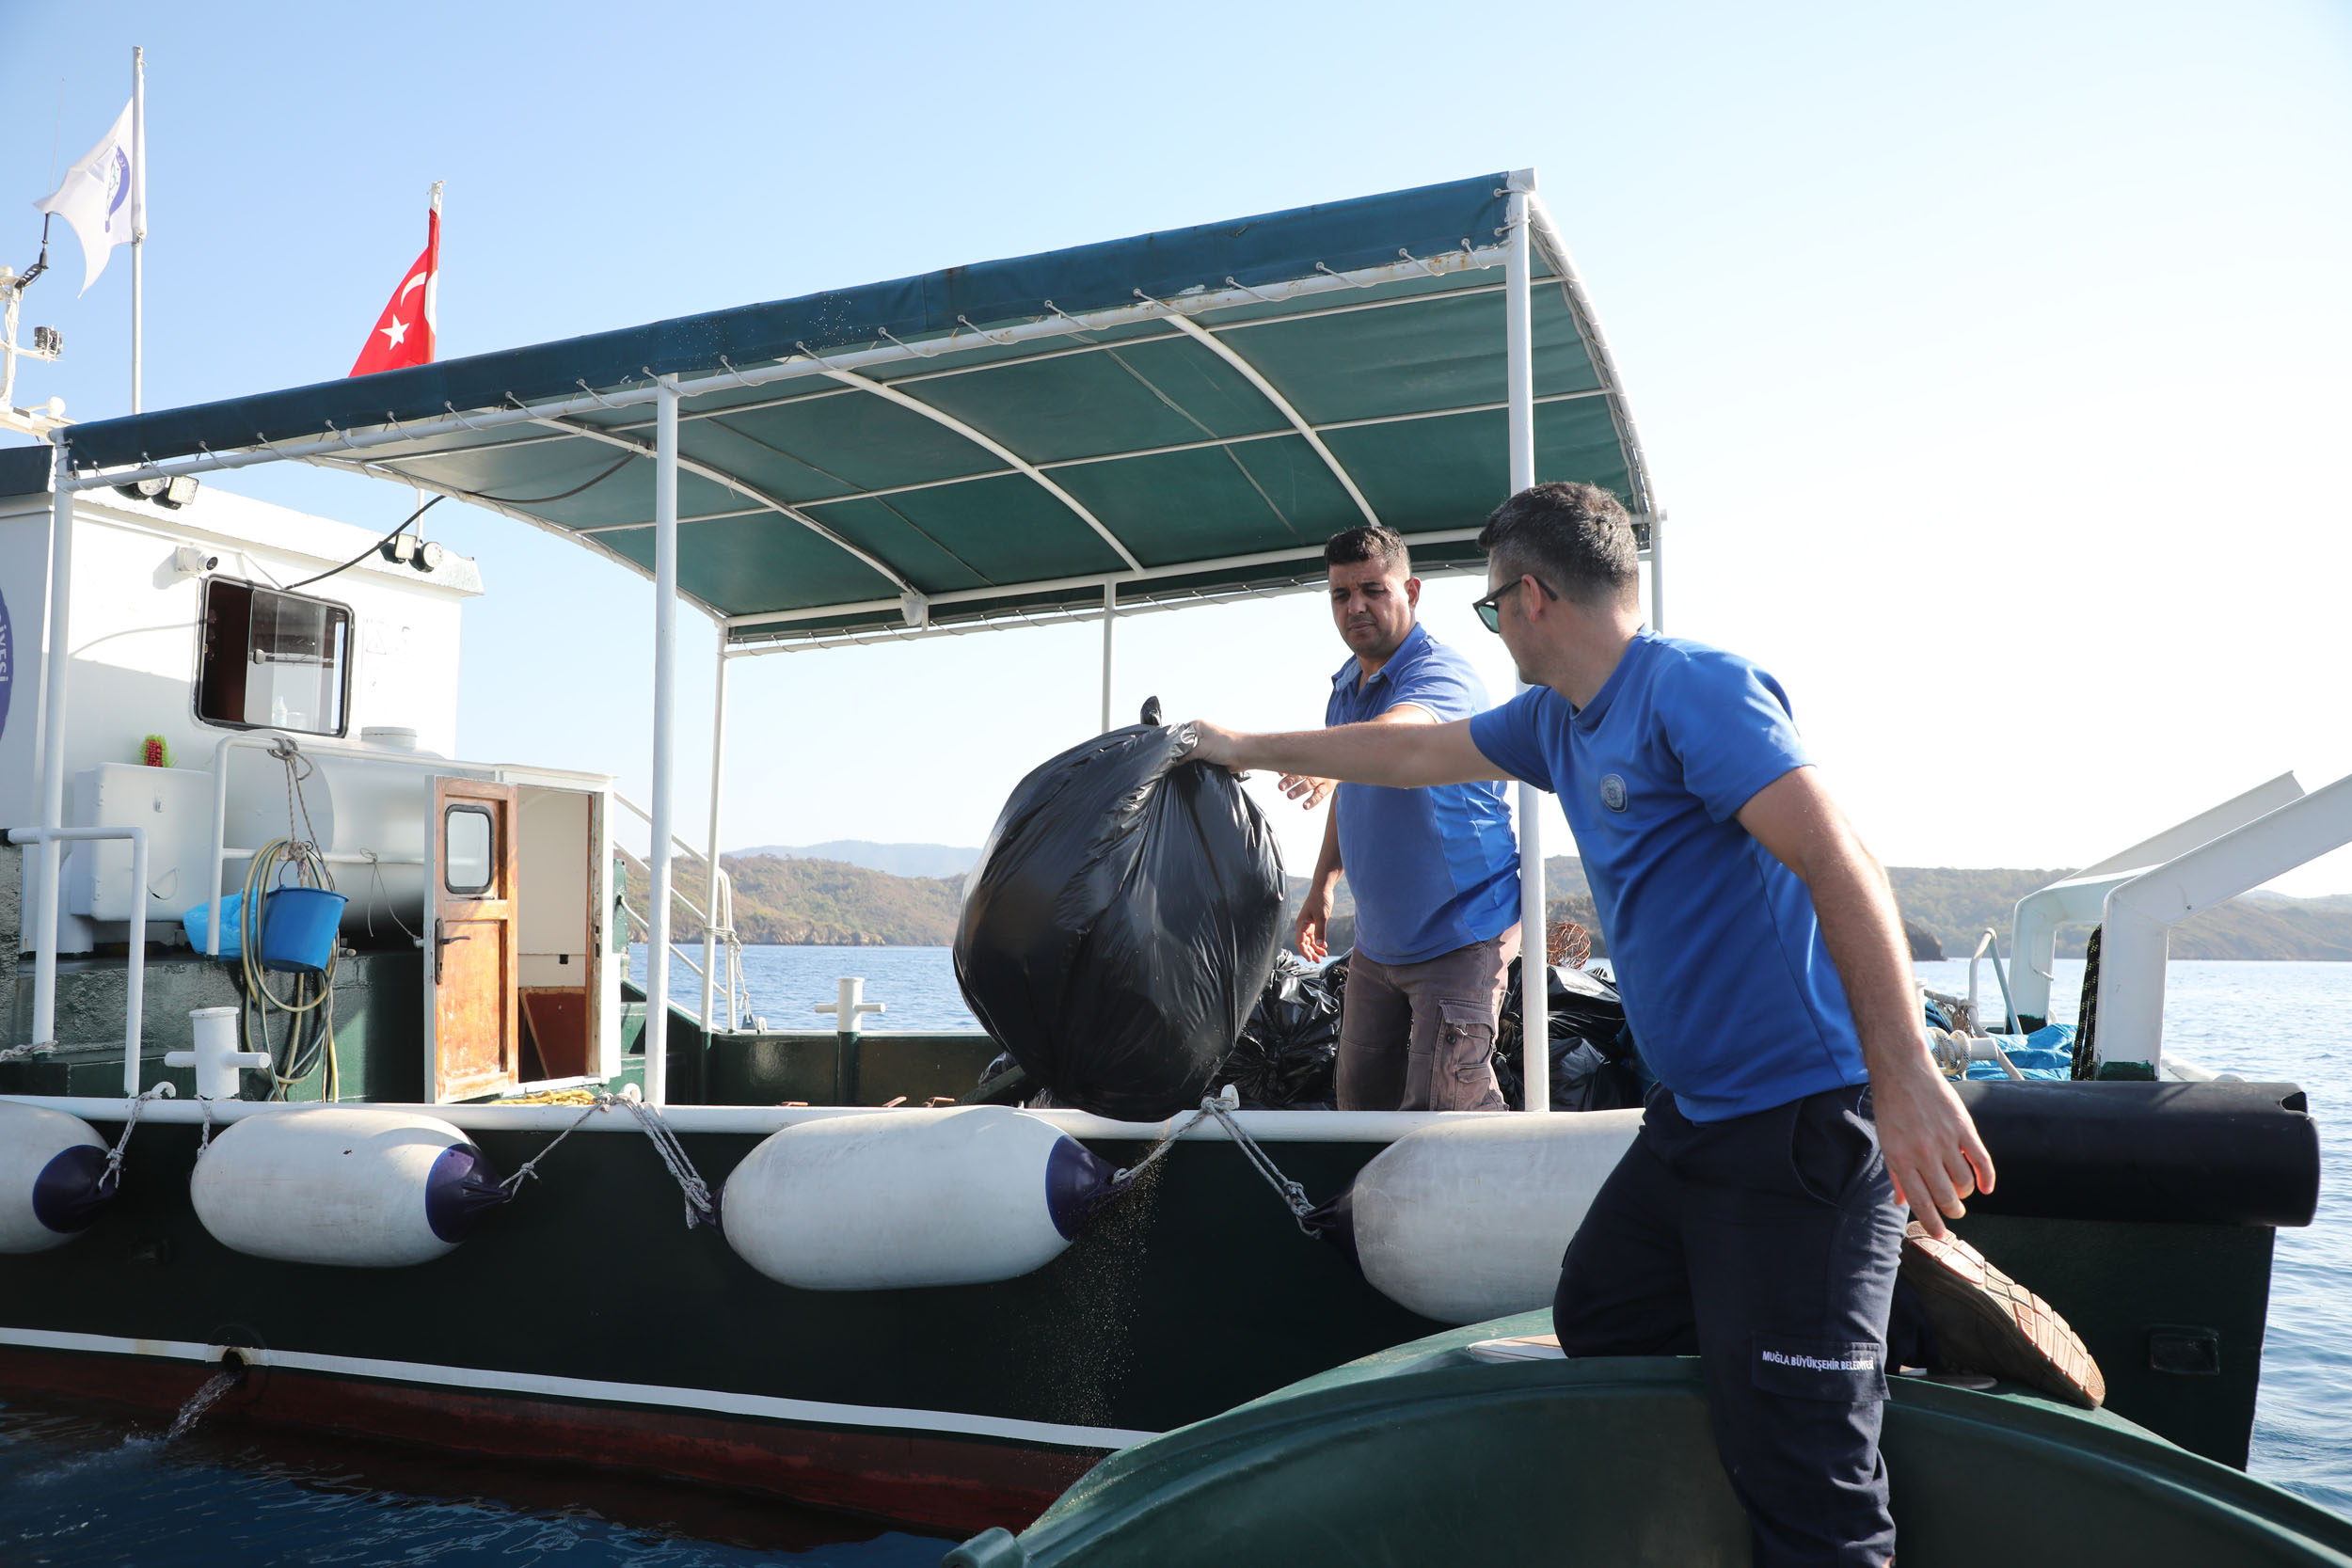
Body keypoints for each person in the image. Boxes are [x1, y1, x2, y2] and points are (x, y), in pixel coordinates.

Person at [1189, 483, 2101, 1568]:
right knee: (1604, 1312)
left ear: (1530, 598)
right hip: (1694, 1122)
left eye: (1488, 608)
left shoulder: (1689, 690)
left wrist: (1902, 1071)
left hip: (1804, 1121)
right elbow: (1415, 755)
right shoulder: (1553, 721)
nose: (1491, 627)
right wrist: (1233, 743)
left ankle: (1849, 1322)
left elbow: (1836, 856)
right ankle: (1883, 1310)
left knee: (1806, 1474)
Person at [1286, 525, 1521, 1112]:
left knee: (1446, 1114)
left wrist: (1330, 757)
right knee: (1358, 1111)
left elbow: (1402, 739)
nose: (1355, 606)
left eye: (1372, 589)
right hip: (1378, 944)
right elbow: (1351, 791)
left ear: (1411, 591)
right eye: (1341, 595)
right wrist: (1322, 885)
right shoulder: (1346, 686)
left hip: (1460, 934)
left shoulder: (1443, 674)